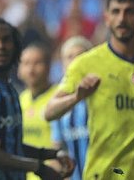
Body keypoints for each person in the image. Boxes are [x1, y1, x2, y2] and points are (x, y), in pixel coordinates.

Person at [45, 0, 134, 179]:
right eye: (116, 12)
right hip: (104, 172)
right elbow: (49, 112)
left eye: (129, 12)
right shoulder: (86, 63)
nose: (122, 18)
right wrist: (76, 97)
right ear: (106, 18)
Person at [0, 18, 73, 180]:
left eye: (6, 40)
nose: (0, 46)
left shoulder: (9, 89)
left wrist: (51, 154)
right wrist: (37, 167)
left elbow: (11, 146)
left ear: (16, 45)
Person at [47, 36, 92, 180]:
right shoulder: (58, 103)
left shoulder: (104, 96)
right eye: (69, 57)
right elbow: (57, 149)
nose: (75, 61)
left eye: (80, 56)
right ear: (62, 64)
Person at [17, 43, 58, 180]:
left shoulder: (59, 97)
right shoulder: (20, 100)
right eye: (26, 63)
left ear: (48, 66)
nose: (31, 69)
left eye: (37, 63)